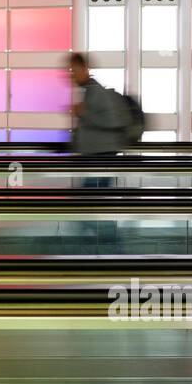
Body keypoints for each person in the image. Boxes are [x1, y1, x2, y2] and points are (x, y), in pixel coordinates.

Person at [68, 53, 127, 247]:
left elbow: (111, 121)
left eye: (73, 71)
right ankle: (103, 239)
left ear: (84, 69)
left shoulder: (95, 91)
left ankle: (109, 241)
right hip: (97, 157)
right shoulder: (89, 91)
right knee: (89, 200)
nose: (70, 76)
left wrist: (84, 113)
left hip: (103, 158)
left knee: (85, 200)